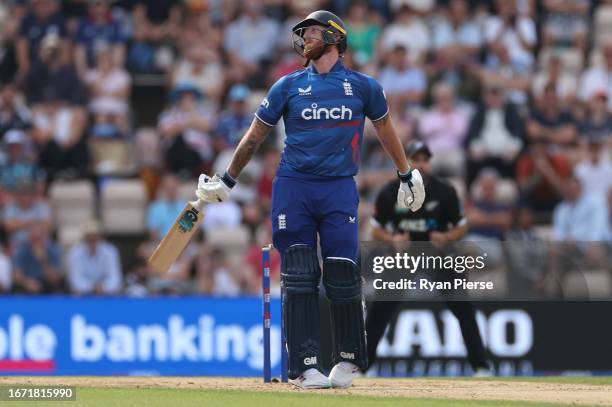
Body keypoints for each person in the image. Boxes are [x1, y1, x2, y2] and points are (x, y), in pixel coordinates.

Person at [194, 10, 425, 389]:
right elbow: (254, 137)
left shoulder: (364, 87)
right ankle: (304, 366)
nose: (304, 39)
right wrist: (227, 179)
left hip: (338, 187)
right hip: (294, 186)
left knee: (342, 271)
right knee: (300, 274)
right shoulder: (286, 86)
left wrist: (405, 171)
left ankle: (349, 358)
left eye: (312, 32)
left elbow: (384, 128)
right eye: (302, 33)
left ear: (335, 37)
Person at [365, 141, 490, 376]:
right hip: (404, 254)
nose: (421, 165)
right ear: (405, 162)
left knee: (463, 308)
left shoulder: (445, 191)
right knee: (380, 309)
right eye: (415, 159)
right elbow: (375, 229)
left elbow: (461, 227)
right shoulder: (391, 191)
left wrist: (446, 236)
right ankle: (362, 366)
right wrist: (392, 239)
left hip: (438, 253)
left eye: (425, 160)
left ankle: (480, 366)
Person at [67, 219, 122, 295]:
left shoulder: (110, 251)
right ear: (85, 238)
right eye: (89, 237)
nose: (92, 240)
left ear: (100, 237)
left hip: (106, 294)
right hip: (84, 295)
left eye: (95, 237)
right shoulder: (75, 253)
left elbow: (115, 278)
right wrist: (91, 288)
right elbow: (75, 280)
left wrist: (103, 288)